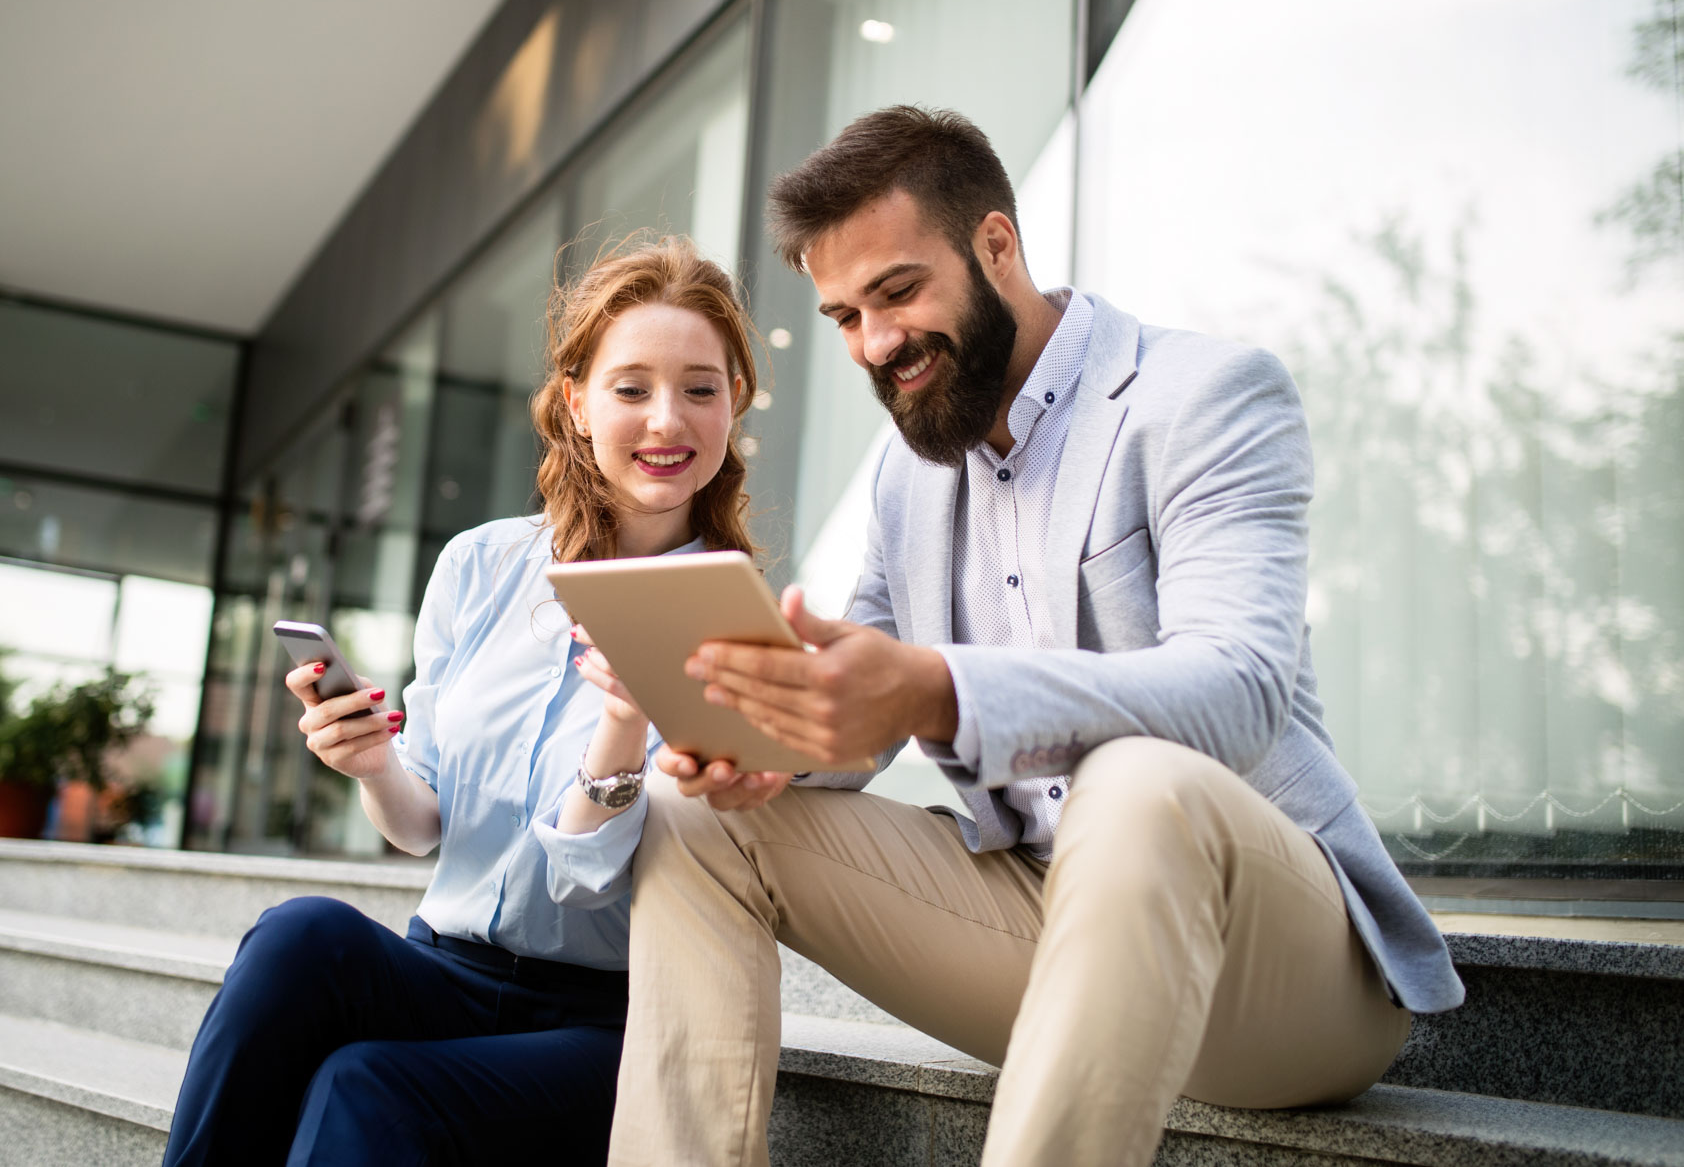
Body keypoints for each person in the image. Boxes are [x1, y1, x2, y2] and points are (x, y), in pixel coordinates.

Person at [605, 108, 1466, 1167]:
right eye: (842, 316)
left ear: (996, 247)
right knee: (685, 814)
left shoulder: (1203, 396)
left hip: (1280, 976)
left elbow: (1239, 690)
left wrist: (931, 690)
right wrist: (765, 740)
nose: (874, 344)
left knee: (1136, 782)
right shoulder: (903, 476)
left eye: (897, 292)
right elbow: (861, 718)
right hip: (1043, 928)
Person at [161, 236, 762, 1167]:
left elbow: (584, 881)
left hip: (607, 1021)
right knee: (298, 936)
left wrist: (623, 720)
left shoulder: (731, 619)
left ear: (736, 403)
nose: (665, 420)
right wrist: (371, 764)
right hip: (446, 962)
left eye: (700, 388)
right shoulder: (482, 565)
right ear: (576, 399)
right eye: (631, 387)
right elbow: (422, 824)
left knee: (362, 1083)